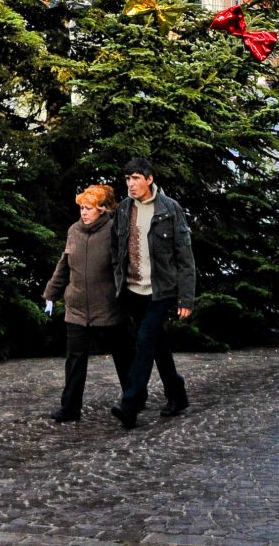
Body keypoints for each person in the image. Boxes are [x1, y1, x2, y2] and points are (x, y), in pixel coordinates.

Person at [110, 156, 195, 431]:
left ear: (149, 179)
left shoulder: (170, 209)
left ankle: (130, 404)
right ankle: (177, 395)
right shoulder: (124, 209)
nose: (131, 184)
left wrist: (186, 298)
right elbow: (115, 250)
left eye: (136, 178)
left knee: (145, 341)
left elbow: (185, 256)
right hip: (133, 290)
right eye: (127, 179)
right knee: (156, 344)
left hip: (161, 291)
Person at [42, 184, 134, 422]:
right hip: (77, 307)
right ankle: (70, 407)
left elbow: (122, 267)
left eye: (89, 208)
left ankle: (132, 402)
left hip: (108, 306)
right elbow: (64, 264)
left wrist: (126, 296)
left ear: (102, 210)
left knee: (123, 356)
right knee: (74, 360)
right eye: (82, 207)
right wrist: (51, 293)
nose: (83, 212)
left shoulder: (114, 230)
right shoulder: (74, 230)